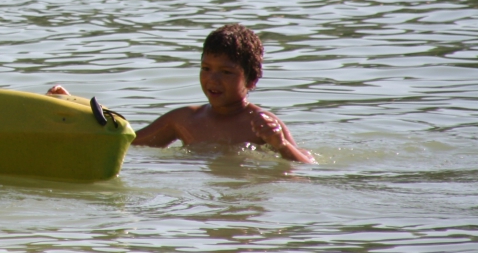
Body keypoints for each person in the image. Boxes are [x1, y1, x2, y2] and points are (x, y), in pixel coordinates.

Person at [49, 23, 314, 162]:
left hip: (244, 193)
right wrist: (78, 109)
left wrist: (280, 144)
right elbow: (127, 144)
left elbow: (306, 166)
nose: (213, 78)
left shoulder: (263, 124)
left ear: (252, 80)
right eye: (206, 68)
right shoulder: (184, 120)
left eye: (226, 72)